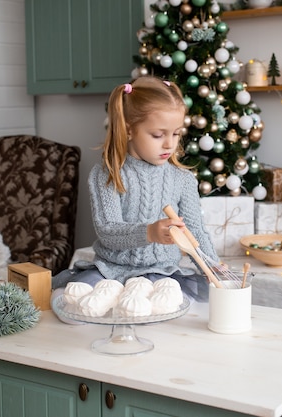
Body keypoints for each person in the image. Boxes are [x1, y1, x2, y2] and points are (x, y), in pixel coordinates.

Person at [52, 76, 218, 303]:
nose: (170, 144)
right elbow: (107, 231)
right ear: (129, 130)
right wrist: (149, 232)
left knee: (172, 306)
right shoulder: (107, 174)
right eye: (158, 135)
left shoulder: (183, 179)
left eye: (176, 133)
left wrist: (212, 265)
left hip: (162, 272)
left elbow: (195, 232)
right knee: (70, 303)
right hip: (109, 270)